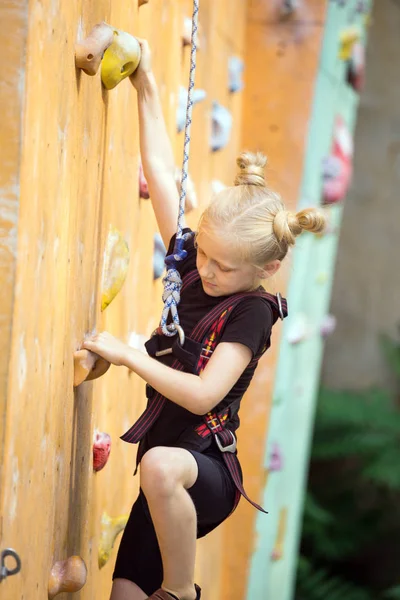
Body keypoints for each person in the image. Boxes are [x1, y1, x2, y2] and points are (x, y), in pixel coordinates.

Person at [83, 39, 326, 600]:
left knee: (165, 466)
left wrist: (129, 356)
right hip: (158, 477)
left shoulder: (251, 313)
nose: (207, 270)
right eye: (204, 254)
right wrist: (145, 83)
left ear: (266, 268)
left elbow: (201, 395)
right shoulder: (196, 262)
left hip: (200, 473)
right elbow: (161, 171)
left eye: (224, 266)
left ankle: (181, 592)